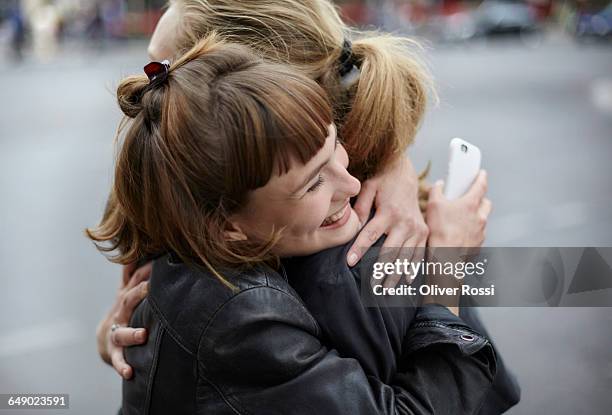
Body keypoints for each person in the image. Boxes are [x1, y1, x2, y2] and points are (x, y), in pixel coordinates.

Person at [87, 35, 497, 414]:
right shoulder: (240, 319)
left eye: (336, 146)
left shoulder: (188, 223)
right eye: (315, 182)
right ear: (226, 225)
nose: (351, 183)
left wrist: (394, 164)